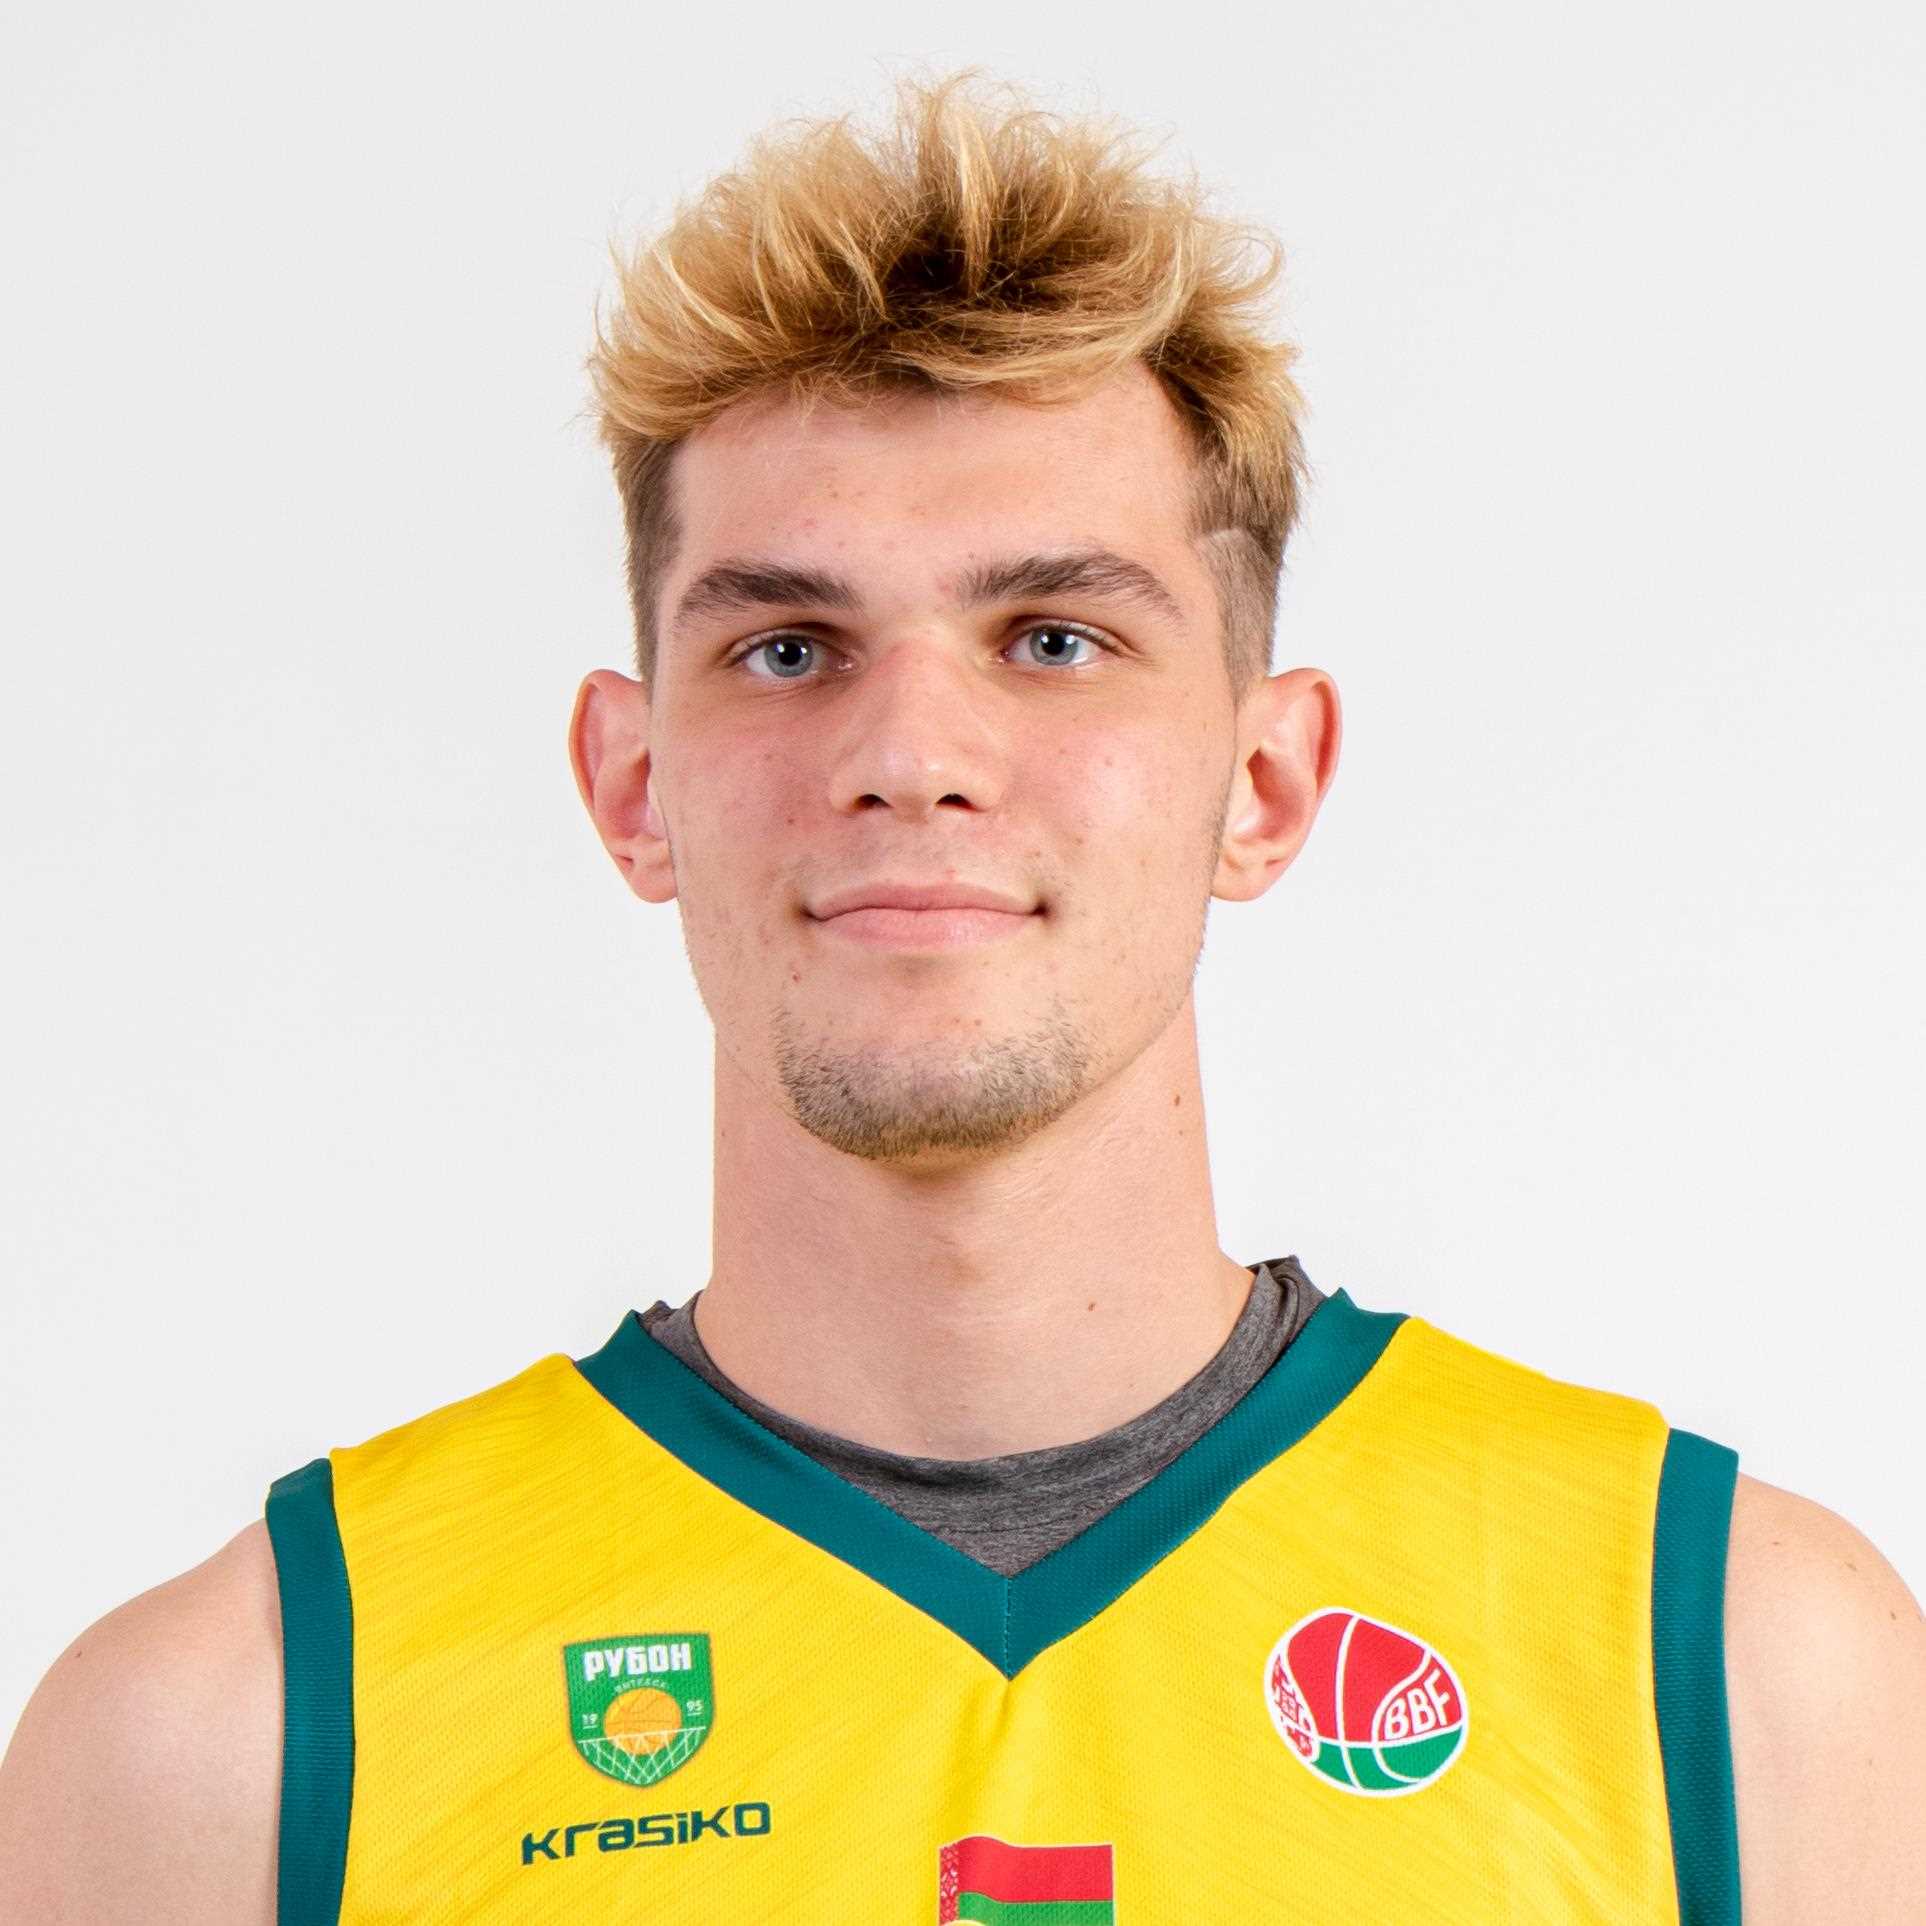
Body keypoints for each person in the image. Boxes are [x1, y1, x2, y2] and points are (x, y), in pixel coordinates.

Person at [2, 68, 1921, 1926]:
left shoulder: (1732, 1667)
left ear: (1262, 782)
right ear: (633, 783)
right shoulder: (228, 1740)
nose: (911, 753)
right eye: (786, 646)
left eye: (1054, 637)